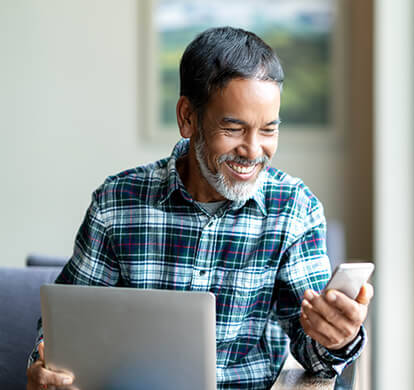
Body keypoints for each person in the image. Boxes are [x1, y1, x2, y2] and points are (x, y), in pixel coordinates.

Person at [25, 27, 373, 389]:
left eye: (268, 130)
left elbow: (313, 353)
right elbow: (65, 330)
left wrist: (337, 337)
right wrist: (44, 366)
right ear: (188, 117)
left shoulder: (294, 209)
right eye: (234, 128)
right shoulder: (116, 203)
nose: (253, 151)